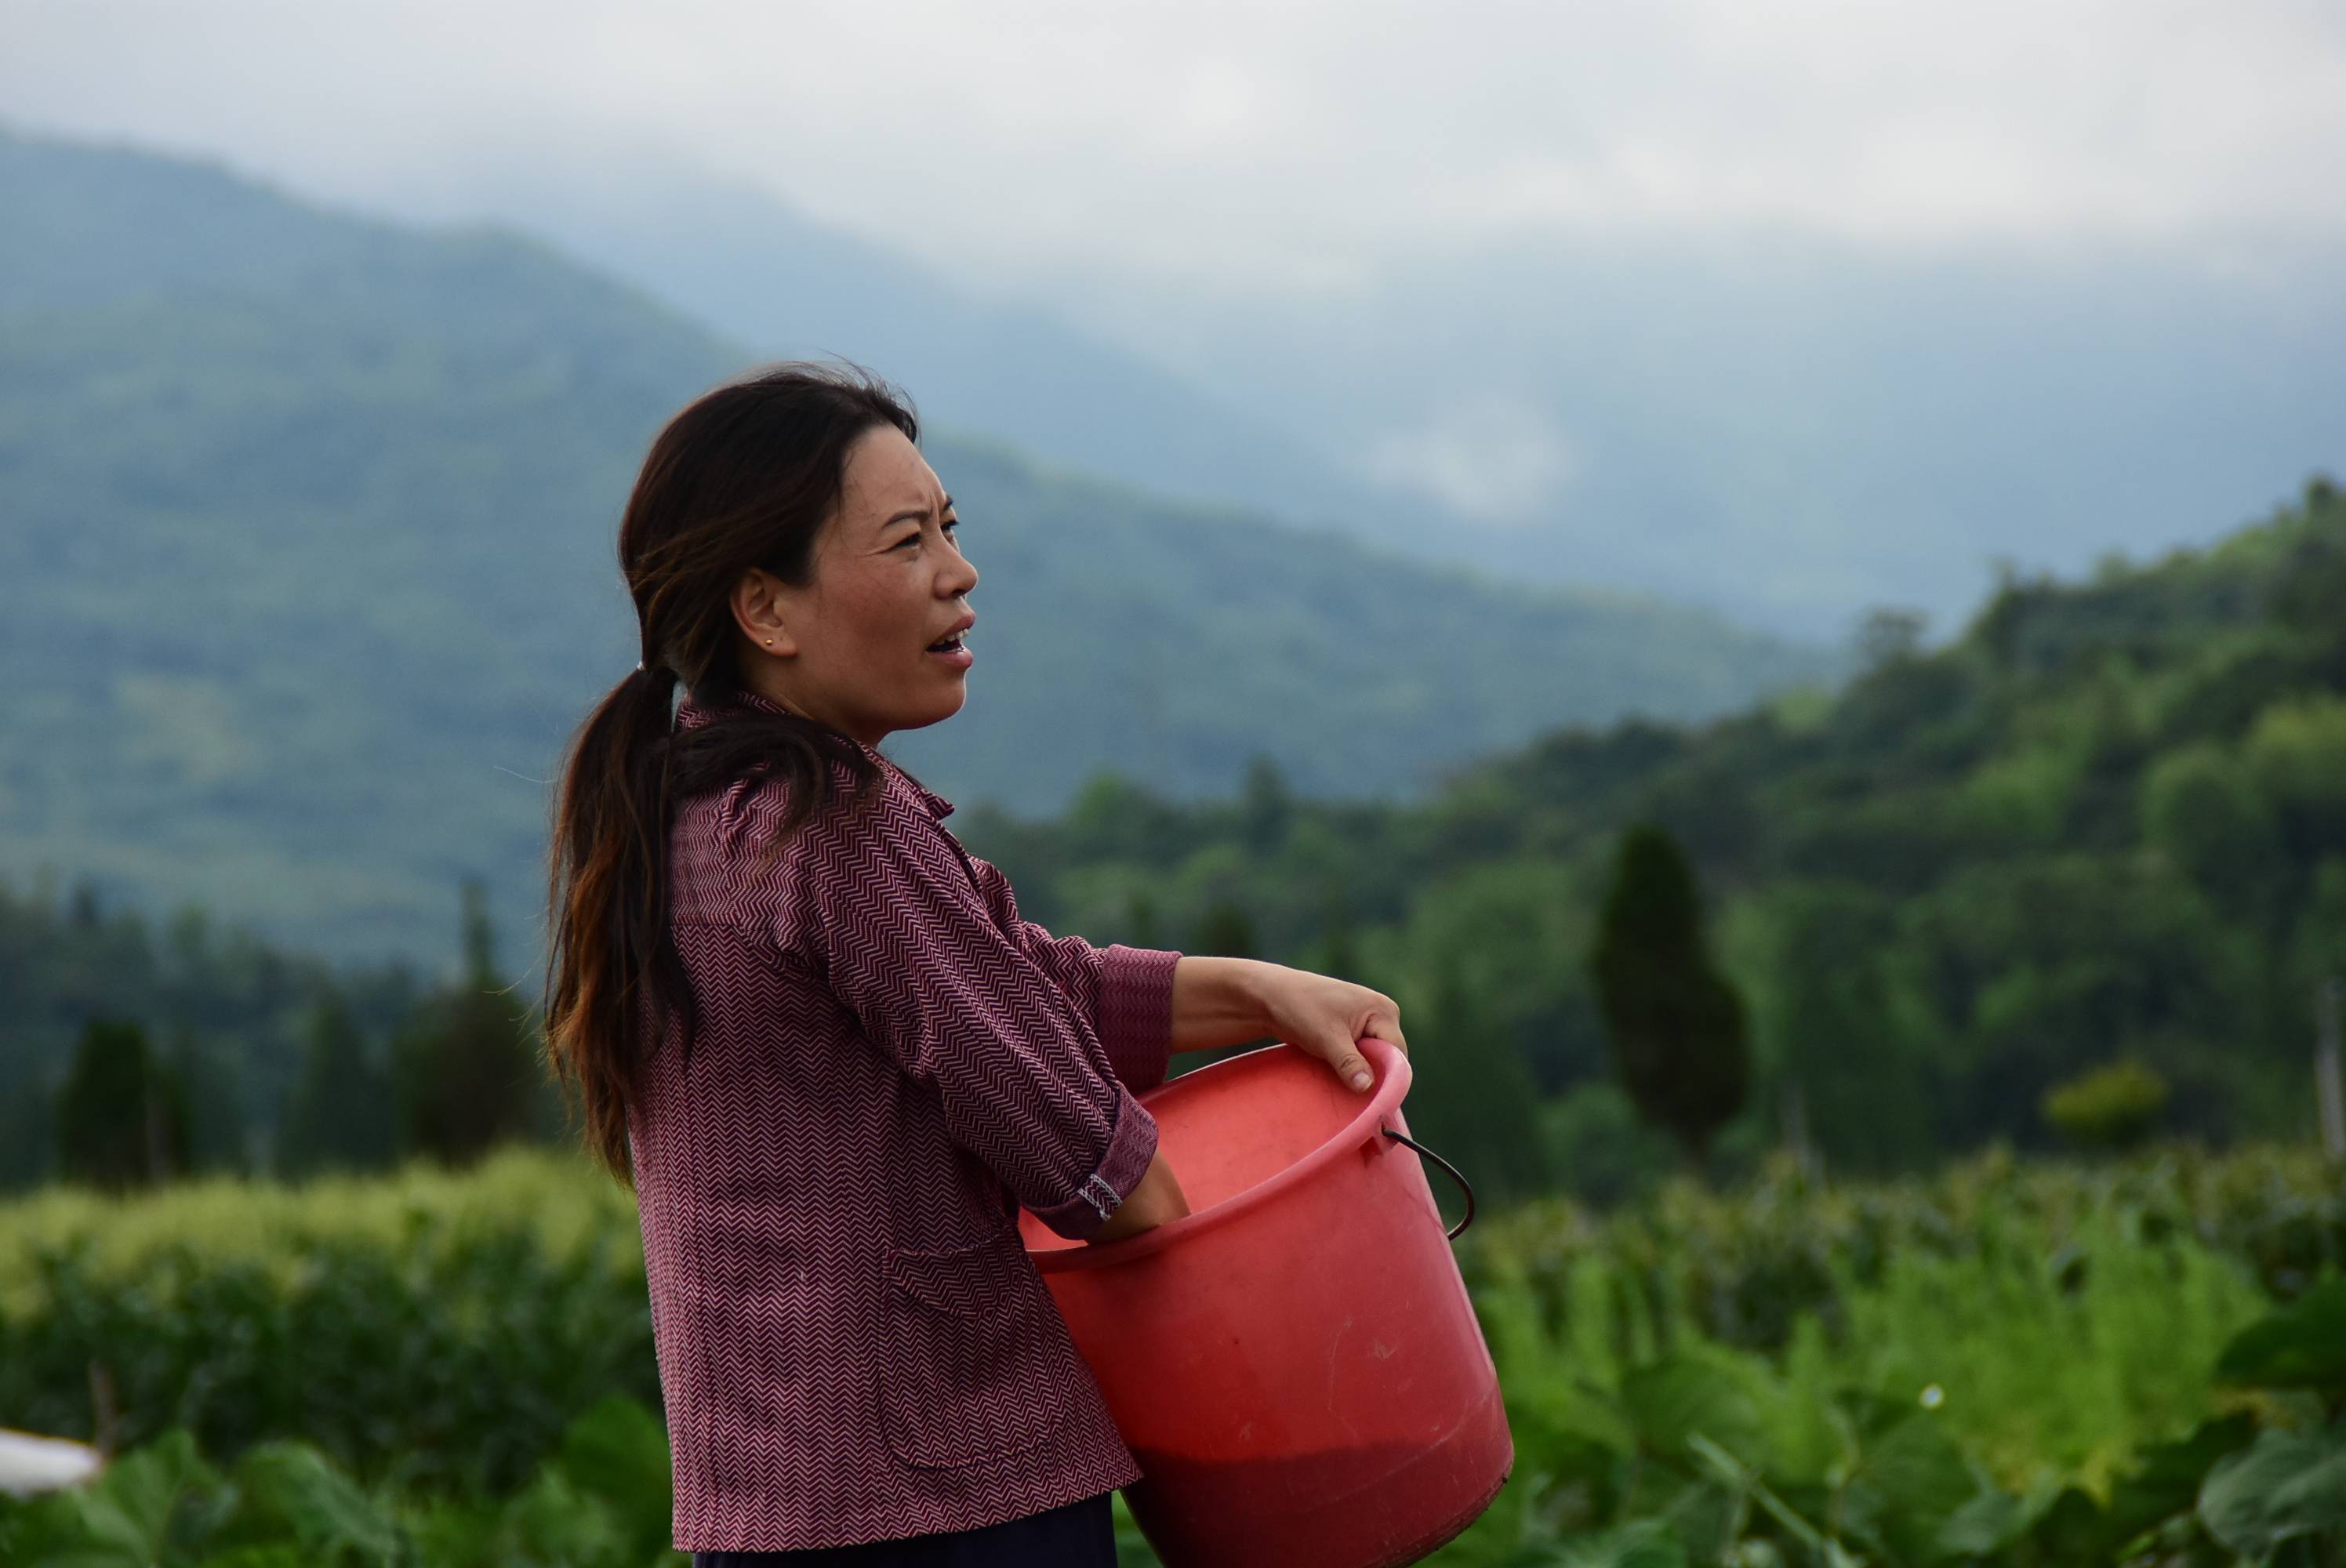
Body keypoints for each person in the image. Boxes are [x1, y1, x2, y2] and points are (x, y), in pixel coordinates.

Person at [540, 361, 1409, 1564]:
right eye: (907, 542)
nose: (960, 572)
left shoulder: (682, 814)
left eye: (950, 528)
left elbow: (997, 986)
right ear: (767, 609)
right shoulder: (833, 825)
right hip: (952, 1500)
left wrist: (1256, 993)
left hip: (766, 1515)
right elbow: (1098, 1168)